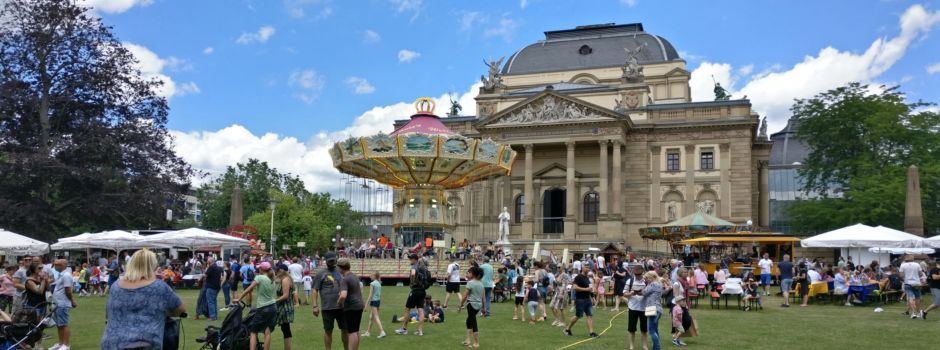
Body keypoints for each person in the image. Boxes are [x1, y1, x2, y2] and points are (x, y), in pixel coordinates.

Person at [100, 249, 186, 349]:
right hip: (143, 345)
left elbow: (108, 314)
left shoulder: (115, 286)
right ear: (152, 266)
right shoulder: (159, 287)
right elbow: (181, 310)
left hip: (111, 344)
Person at [311, 251, 347, 350]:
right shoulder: (320, 274)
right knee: (328, 331)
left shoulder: (341, 271)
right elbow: (315, 290)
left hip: (342, 307)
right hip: (327, 308)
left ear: (336, 260)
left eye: (333, 260)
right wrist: (315, 306)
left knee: (345, 330)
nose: (331, 262)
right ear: (325, 261)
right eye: (329, 261)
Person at [238, 262, 278, 350]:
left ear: (262, 269)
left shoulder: (259, 277)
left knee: (253, 331)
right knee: (267, 332)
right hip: (273, 307)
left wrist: (239, 298)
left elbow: (249, 289)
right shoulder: (272, 279)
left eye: (259, 268)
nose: (258, 269)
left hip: (263, 308)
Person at [396, 254, 427, 336]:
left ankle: (404, 329)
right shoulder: (422, 267)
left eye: (411, 259)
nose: (410, 260)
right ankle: (420, 331)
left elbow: (413, 274)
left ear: (415, 260)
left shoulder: (414, 266)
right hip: (422, 290)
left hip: (415, 290)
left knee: (407, 309)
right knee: (420, 310)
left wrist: (412, 282)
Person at [336, 258, 364, 350]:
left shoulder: (345, 279)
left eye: (338, 267)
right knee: (356, 330)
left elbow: (343, 295)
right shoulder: (354, 276)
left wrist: (338, 303)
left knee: (351, 332)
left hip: (351, 307)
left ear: (341, 267)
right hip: (359, 305)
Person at [564, 264, 597, 338]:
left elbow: (589, 288)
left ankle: (591, 333)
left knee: (589, 315)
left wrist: (592, 292)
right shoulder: (578, 277)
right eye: (586, 267)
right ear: (582, 268)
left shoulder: (587, 277)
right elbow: (575, 287)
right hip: (580, 300)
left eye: (588, 267)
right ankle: (567, 329)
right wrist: (586, 289)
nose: (588, 269)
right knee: (578, 316)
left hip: (587, 299)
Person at [457, 265, 484, 348]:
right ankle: (468, 340)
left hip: (471, 305)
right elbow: (484, 298)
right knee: (469, 321)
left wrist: (460, 305)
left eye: (468, 273)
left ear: (472, 274)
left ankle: (476, 342)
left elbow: (464, 295)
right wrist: (484, 308)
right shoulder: (481, 284)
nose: (467, 274)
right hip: (478, 305)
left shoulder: (470, 283)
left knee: (473, 322)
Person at [624, 265, 648, 350]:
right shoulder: (629, 281)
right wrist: (631, 293)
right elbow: (624, 294)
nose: (638, 276)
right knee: (631, 329)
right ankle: (631, 346)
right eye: (636, 274)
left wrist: (643, 293)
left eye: (639, 274)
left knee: (644, 329)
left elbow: (650, 293)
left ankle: (644, 346)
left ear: (642, 272)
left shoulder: (646, 281)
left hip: (644, 308)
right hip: (632, 308)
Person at [274, 264, 296, 350]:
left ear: (281, 271)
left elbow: (285, 296)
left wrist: (274, 301)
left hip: (285, 307)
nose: (276, 272)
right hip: (284, 306)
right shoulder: (285, 279)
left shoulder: (285, 280)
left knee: (286, 329)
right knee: (285, 329)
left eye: (277, 271)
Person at [641, 271, 664, 350]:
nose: (646, 280)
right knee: (655, 329)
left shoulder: (653, 284)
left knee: (651, 330)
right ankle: (655, 347)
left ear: (653, 277)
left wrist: (642, 289)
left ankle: (657, 348)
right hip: (658, 308)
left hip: (651, 308)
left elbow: (644, 292)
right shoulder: (659, 284)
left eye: (647, 278)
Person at [362, 271, 386, 338]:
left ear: (374, 276)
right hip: (377, 301)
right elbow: (379, 294)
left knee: (376, 317)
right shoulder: (379, 283)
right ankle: (368, 332)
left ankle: (382, 331)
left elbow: (370, 295)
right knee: (371, 317)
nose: (370, 276)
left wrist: (366, 305)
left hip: (374, 302)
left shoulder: (372, 283)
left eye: (371, 275)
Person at [203, 256, 223, 321]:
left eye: (208, 262)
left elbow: (205, 275)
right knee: (214, 301)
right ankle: (214, 315)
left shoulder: (211, 267)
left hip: (211, 286)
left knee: (211, 302)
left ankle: (212, 316)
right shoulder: (218, 267)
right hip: (217, 286)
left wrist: (206, 268)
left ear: (209, 262)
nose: (207, 263)